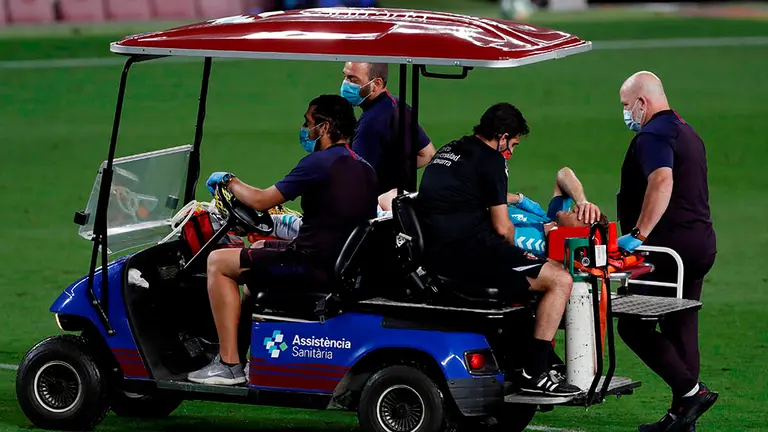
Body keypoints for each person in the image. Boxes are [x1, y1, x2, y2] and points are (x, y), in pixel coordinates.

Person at [187, 94, 378, 385]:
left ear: (325, 127)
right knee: (259, 248)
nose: (305, 129)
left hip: (311, 265)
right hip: (338, 263)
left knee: (218, 262)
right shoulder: (364, 167)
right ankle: (244, 354)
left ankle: (228, 364)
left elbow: (261, 200)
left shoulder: (319, 163)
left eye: (308, 122)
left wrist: (229, 181)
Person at [418, 102, 581, 397]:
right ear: (502, 137)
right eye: (513, 144)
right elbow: (503, 228)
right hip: (468, 255)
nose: (511, 152)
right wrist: (522, 252)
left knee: (529, 271)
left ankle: (531, 356)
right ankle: (535, 371)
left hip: (438, 252)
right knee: (559, 279)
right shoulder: (491, 160)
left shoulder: (448, 150)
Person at [615, 71, 718, 432]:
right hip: (698, 244)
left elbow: (662, 180)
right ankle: (681, 419)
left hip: (666, 251)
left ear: (642, 102)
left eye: (626, 105)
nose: (625, 112)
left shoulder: (653, 135)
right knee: (680, 326)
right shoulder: (687, 131)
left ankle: (691, 394)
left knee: (632, 325)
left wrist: (638, 234)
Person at [260, 166, 605, 258]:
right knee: (388, 200)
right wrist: (583, 198)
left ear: (574, 233)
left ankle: (285, 226)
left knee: (381, 211)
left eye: (580, 213)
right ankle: (285, 227)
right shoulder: (544, 214)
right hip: (444, 216)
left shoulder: (541, 246)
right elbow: (564, 174)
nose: (576, 208)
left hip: (443, 236)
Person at [341, 62, 437, 202]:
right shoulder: (399, 106)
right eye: (345, 76)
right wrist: (396, 174)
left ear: (376, 84)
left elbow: (355, 179)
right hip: (401, 204)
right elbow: (427, 154)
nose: (346, 84)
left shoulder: (371, 121)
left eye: (353, 79)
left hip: (375, 208)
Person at [507, 166, 603, 256]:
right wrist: (582, 201)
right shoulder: (553, 221)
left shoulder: (536, 242)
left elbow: (502, 230)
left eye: (582, 214)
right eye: (583, 209)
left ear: (579, 235)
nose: (576, 208)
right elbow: (564, 173)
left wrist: (500, 200)